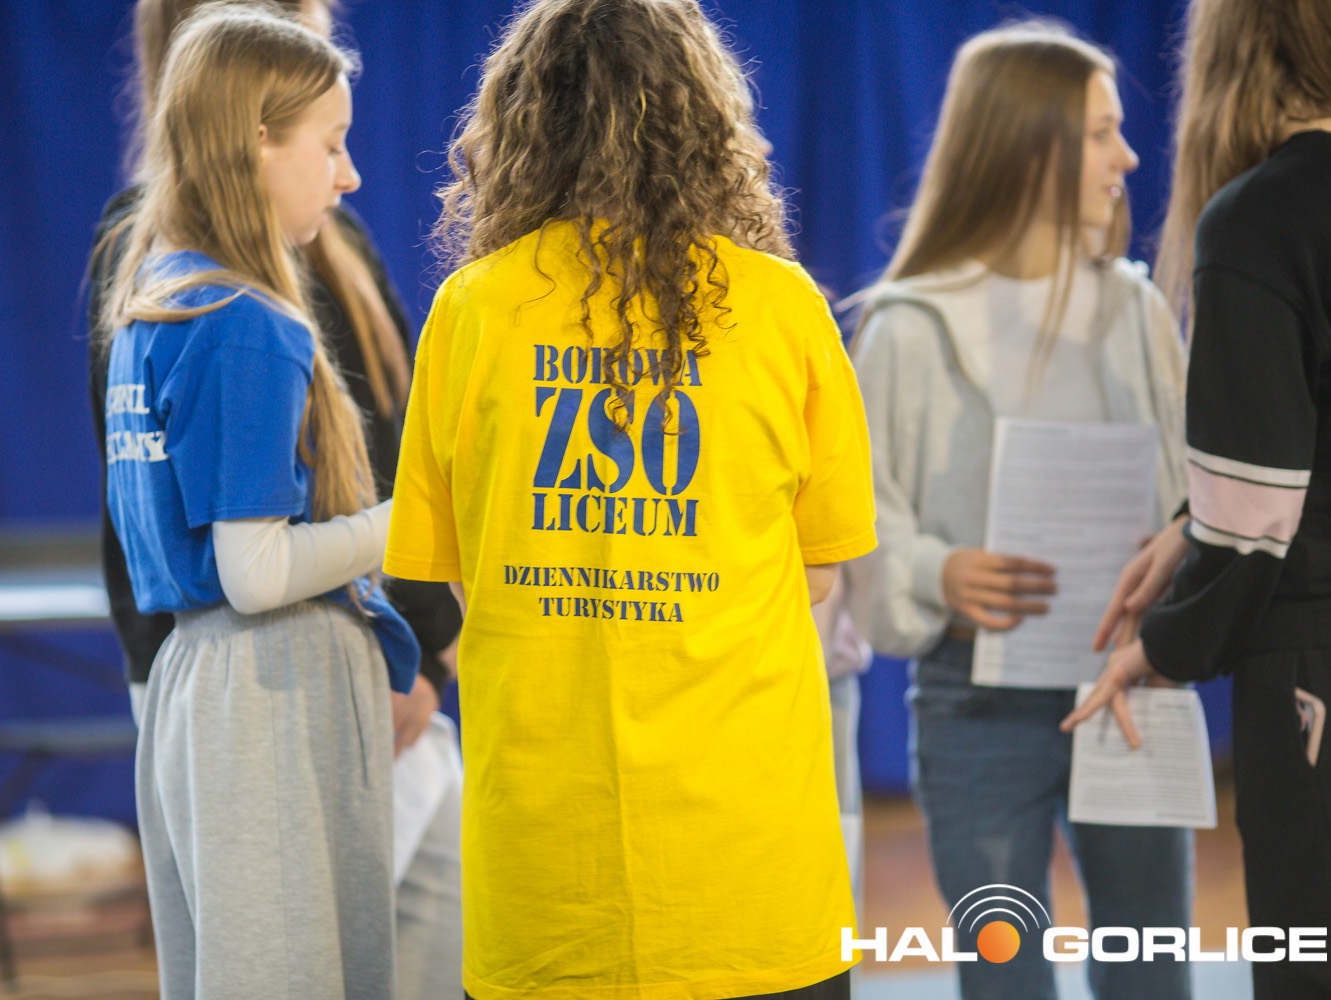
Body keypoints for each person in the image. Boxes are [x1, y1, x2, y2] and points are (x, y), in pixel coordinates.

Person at [382, 1, 878, 997]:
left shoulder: (469, 311)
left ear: (524, 125)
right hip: (749, 871)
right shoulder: (784, 309)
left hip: (545, 877)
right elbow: (818, 573)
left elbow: (462, 578)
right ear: (705, 121)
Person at [87, 1, 465, 995]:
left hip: (199, 686)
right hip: (264, 689)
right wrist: (415, 520)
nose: (350, 175)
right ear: (258, 139)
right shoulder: (248, 323)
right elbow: (252, 573)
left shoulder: (155, 293)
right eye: (331, 145)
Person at [843, 21, 1192, 1000]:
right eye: (1102, 133)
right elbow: (863, 517)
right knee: (1005, 977)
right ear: (1027, 145)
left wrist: (1173, 556)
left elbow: (1190, 497)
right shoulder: (907, 325)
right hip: (977, 702)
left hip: (1128, 681)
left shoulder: (1136, 311)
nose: (1130, 157)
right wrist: (937, 571)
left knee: (1152, 974)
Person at [1062, 2, 1331, 996]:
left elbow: (1253, 525)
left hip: (1327, 674)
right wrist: (1193, 523)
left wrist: (1163, 643)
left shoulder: (1265, 217)